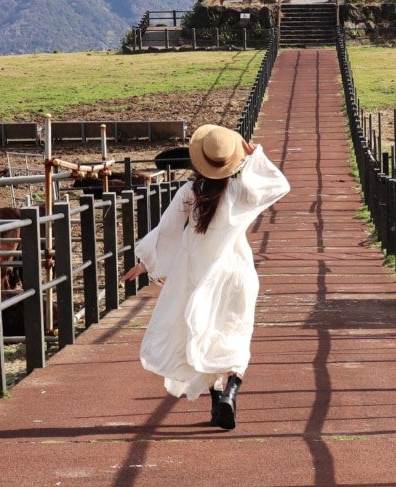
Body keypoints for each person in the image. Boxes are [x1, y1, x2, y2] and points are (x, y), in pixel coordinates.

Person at [120, 123, 289, 430]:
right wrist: (255, 157)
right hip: (236, 273)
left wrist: (146, 263)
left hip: (199, 274)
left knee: (204, 332)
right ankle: (230, 393)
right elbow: (277, 185)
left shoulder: (190, 192)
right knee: (235, 332)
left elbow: (167, 231)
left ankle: (215, 403)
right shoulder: (241, 190)